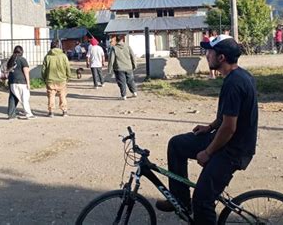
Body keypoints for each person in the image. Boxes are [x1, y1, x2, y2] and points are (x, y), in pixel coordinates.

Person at [155, 35, 258, 224]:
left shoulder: (234, 84)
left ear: (221, 58)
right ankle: (180, 200)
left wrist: (207, 152)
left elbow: (229, 127)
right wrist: (209, 127)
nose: (206, 55)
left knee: (202, 202)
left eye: (210, 51)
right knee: (177, 144)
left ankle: (193, 204)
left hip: (233, 150)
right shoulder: (239, 76)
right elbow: (227, 117)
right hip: (227, 139)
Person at [41, 39, 71, 117]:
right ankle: (64, 111)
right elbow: (67, 67)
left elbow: (43, 69)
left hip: (50, 79)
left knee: (51, 95)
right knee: (62, 95)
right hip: (62, 79)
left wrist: (44, 78)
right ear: (59, 46)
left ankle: (51, 111)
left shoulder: (47, 57)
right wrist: (68, 76)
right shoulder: (63, 56)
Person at [6, 46, 35, 120]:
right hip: (21, 81)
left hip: (12, 81)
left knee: (13, 98)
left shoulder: (11, 60)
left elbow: (8, 71)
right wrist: (28, 83)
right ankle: (28, 114)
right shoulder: (22, 59)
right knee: (24, 98)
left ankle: (11, 115)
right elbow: (26, 72)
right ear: (22, 52)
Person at [108, 34, 137, 100]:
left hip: (119, 68)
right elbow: (133, 56)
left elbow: (111, 59)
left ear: (116, 40)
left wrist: (109, 69)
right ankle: (134, 92)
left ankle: (124, 96)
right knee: (130, 80)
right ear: (122, 39)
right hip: (128, 67)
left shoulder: (114, 48)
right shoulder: (128, 46)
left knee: (122, 82)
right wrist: (134, 65)